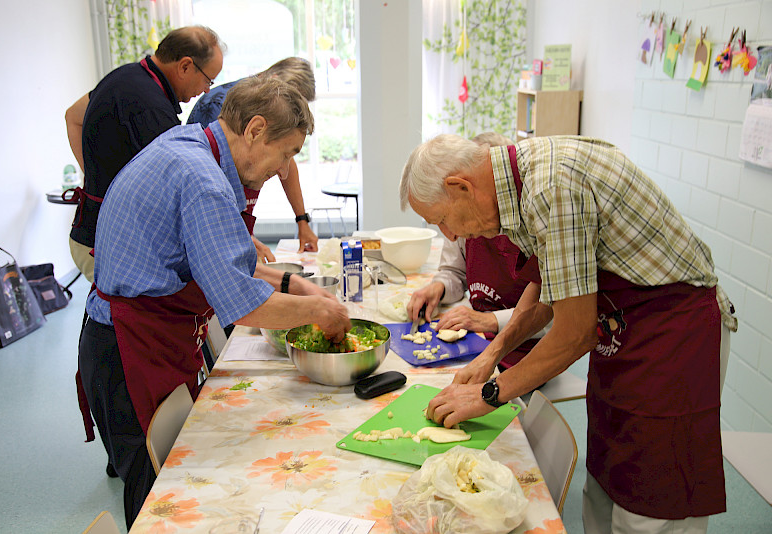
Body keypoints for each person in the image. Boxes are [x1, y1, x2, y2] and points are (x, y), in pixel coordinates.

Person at [399, 134, 737, 533]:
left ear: (461, 187)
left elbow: (574, 333)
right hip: (622, 329)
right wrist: (492, 356)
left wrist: (490, 393)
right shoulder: (518, 184)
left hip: (672, 334)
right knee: (605, 485)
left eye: (441, 219)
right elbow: (546, 288)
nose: (450, 236)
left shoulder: (550, 186)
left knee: (651, 507)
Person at [76, 76, 351, 529]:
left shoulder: (192, 146)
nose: (284, 170)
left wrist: (289, 282)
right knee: (155, 499)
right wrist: (321, 310)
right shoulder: (203, 180)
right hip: (126, 350)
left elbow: (215, 261)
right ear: (256, 129)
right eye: (286, 154)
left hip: (141, 335)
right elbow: (241, 304)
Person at [65, 25, 225, 282]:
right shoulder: (151, 111)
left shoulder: (124, 76)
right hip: (107, 245)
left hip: (90, 230)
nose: (207, 90)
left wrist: (97, 178)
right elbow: (181, 191)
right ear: (185, 66)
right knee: (126, 318)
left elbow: (73, 116)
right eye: (208, 79)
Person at [407, 132, 548, 370]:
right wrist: (438, 288)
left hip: (529, 350)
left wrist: (490, 320)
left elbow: (553, 312)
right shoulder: (463, 216)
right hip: (479, 341)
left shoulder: (535, 217)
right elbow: (454, 271)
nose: (450, 234)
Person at [187, 57, 320, 259]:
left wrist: (301, 219)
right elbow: (210, 199)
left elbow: (287, 160)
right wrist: (239, 238)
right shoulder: (223, 106)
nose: (281, 170)